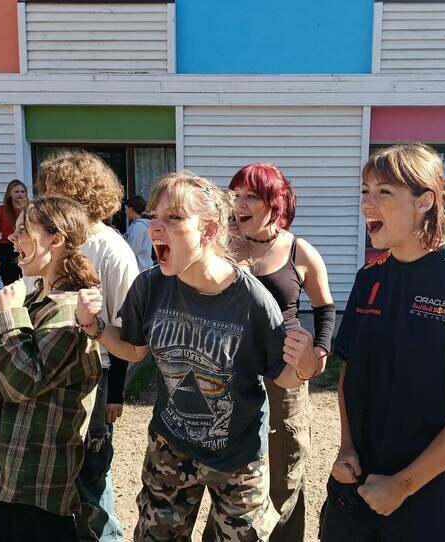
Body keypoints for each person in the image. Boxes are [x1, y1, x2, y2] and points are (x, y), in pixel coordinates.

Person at [75, 171, 322, 541]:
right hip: (169, 448)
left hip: (238, 457)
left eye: (174, 217)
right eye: (154, 216)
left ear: (208, 231)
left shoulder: (252, 300)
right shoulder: (150, 286)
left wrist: (304, 364)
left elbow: (282, 376)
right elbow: (134, 348)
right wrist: (93, 326)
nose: (155, 227)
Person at [319, 144, 445, 541]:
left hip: (431, 500)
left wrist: (403, 485)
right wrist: (346, 448)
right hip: (358, 487)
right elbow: (349, 374)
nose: (367, 204)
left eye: (384, 192)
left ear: (424, 201)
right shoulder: (370, 277)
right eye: (365, 191)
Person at [0, 196, 102, 542]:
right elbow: (8, 371)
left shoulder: (68, 312)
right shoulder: (33, 299)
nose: (11, 236)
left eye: (23, 230)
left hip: (33, 488)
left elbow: (23, 383)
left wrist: (10, 318)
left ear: (55, 240)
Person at [211, 163, 335, 541]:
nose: (239, 204)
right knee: (229, 471)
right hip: (230, 376)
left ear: (274, 202)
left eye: (251, 196)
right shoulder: (221, 247)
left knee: (284, 472)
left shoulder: (298, 250)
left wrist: (318, 353)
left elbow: (325, 308)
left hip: (284, 378)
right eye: (235, 195)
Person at [38, 150, 139, 542]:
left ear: (78, 192)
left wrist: (116, 395)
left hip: (94, 375)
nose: (43, 199)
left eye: (52, 190)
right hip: (53, 369)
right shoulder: (55, 240)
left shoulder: (111, 249)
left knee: (91, 474)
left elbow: (127, 329)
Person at [0, 179, 28, 285]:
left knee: (27, 283)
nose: (20, 194)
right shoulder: (1, 210)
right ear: (10, 194)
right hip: (6, 250)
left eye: (22, 191)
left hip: (25, 248)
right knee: (9, 284)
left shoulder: (29, 210)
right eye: (16, 192)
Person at [124, 195, 154, 271]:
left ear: (131, 208)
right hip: (144, 267)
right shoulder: (143, 224)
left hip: (140, 269)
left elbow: (131, 250)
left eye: (126, 209)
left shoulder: (139, 226)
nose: (125, 212)